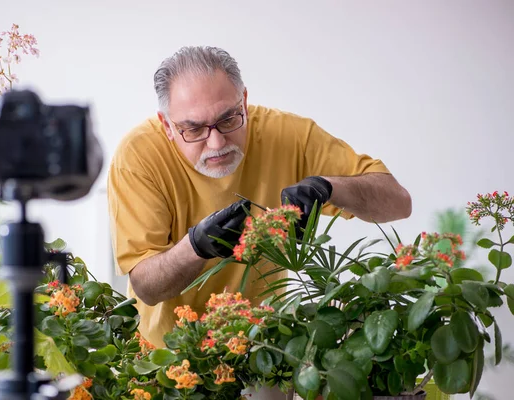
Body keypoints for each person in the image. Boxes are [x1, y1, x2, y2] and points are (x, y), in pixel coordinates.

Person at [107, 46, 412, 347]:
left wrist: (328, 187)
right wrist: (196, 246)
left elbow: (398, 203)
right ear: (167, 126)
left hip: (264, 347)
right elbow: (146, 286)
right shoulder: (138, 157)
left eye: (228, 119)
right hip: (169, 355)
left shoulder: (288, 135)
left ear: (245, 102)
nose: (216, 143)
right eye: (194, 129)